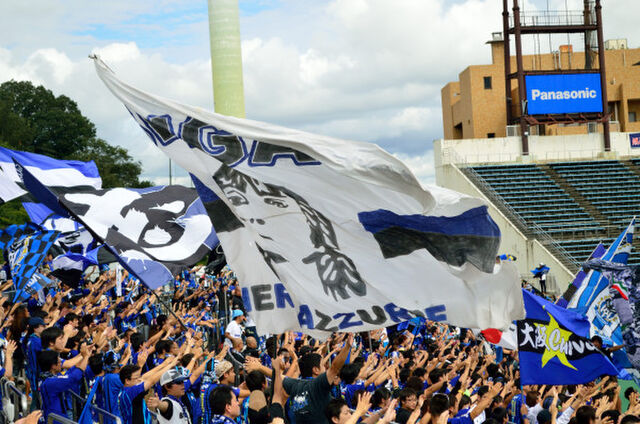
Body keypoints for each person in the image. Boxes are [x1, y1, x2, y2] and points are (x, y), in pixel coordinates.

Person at [283, 333, 354, 424]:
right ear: (316, 370)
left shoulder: (293, 385)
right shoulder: (318, 385)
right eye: (322, 365)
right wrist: (347, 347)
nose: (325, 368)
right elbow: (335, 368)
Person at [118, 355, 179, 424]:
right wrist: (170, 365)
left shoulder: (125, 390)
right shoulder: (130, 392)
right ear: (127, 381)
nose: (140, 380)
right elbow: (151, 381)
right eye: (136, 378)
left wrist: (164, 364)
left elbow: (144, 377)